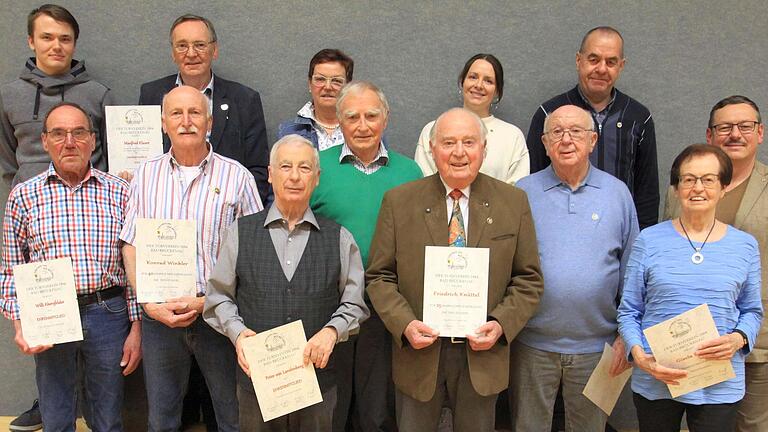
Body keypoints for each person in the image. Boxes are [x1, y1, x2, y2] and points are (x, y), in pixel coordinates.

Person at [366, 107, 544, 432]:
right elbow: (379, 277)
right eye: (448, 143)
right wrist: (404, 324)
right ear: (432, 150)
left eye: (468, 142)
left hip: (482, 356)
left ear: (483, 149)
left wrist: (501, 325)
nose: (459, 152)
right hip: (418, 356)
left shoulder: (513, 203)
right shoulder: (399, 201)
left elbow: (528, 279)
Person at [121, 85, 263, 432]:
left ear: (210, 122)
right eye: (176, 114)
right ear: (163, 123)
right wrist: (149, 304)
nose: (186, 121)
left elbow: (255, 250)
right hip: (160, 318)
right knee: (163, 418)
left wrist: (207, 302)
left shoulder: (237, 177)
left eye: (195, 113)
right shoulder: (143, 176)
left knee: (234, 415)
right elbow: (130, 245)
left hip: (220, 316)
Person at [204, 134, 370, 431]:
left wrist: (332, 331)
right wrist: (239, 335)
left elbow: (354, 303)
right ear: (270, 174)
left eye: (304, 168)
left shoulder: (340, 237)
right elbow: (218, 297)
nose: (294, 176)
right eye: (285, 166)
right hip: (258, 383)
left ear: (317, 178)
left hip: (318, 383)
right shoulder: (240, 233)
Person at [0, 102, 141, 431]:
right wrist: (20, 323)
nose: (69, 141)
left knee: (108, 417)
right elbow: (9, 271)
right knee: (57, 414)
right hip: (49, 317)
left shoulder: (120, 192)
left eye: (79, 132)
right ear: (45, 141)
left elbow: (134, 266)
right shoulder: (23, 196)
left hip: (109, 312)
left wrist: (137, 330)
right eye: (59, 133)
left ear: (93, 140)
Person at [510, 105, 637, 431]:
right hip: (531, 347)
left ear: (592, 140)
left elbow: (633, 273)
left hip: (599, 347)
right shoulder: (522, 193)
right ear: (544, 142)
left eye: (576, 131)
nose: (566, 139)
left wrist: (627, 335)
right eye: (557, 132)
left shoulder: (618, 193)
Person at [618, 144, 762, 432]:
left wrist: (738, 339)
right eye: (688, 179)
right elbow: (629, 310)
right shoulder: (649, 240)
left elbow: (752, 311)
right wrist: (639, 355)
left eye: (708, 180)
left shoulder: (744, 246)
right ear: (676, 188)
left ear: (723, 187)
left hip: (719, 383)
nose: (698, 188)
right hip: (657, 378)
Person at [309, 81, 422, 431]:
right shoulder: (316, 168)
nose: (362, 125)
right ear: (339, 122)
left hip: (385, 308)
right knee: (330, 409)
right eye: (352, 116)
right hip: (328, 307)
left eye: (371, 115)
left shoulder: (410, 173)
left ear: (385, 119)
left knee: (377, 411)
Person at [664, 96, 768, 432]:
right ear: (710, 135)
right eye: (725, 127)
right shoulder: (679, 189)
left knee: (752, 426)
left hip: (756, 343)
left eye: (745, 126)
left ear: (760, 133)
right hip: (687, 343)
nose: (735, 134)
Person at [526, 26, 658, 229]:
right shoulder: (550, 114)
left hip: (616, 232)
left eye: (611, 62)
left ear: (621, 66)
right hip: (555, 227)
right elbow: (534, 179)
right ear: (579, 60)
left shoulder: (638, 118)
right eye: (594, 59)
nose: (602, 69)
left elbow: (647, 192)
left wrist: (640, 244)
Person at [138, 14, 271, 204]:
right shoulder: (151, 95)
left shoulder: (244, 99)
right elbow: (144, 156)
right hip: (166, 211)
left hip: (225, 216)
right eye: (182, 45)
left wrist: (228, 212)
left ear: (214, 50)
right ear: (173, 53)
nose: (191, 53)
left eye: (200, 45)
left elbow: (258, 170)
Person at [0, 4, 113, 189]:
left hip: (90, 206)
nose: (57, 46)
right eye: (47, 38)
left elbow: (111, 159)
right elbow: (7, 162)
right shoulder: (9, 96)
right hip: (33, 207)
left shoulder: (98, 94)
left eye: (65, 39)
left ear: (74, 44)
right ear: (31, 41)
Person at [415, 53, 529, 184]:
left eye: (488, 81)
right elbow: (424, 185)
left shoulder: (512, 136)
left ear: (497, 90)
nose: (479, 85)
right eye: (473, 77)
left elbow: (516, 192)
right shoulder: (433, 130)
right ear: (462, 82)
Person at [277, 49, 354, 150]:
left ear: (348, 86)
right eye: (320, 79)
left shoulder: (364, 129)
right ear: (310, 84)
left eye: (336, 81)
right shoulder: (289, 131)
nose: (327, 87)